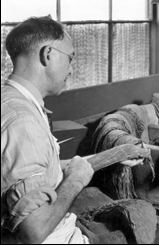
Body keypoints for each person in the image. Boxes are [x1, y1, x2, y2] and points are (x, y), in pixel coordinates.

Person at [1, 16, 145, 244]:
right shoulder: (23, 122)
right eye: (70, 58)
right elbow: (34, 233)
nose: (71, 69)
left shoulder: (12, 101)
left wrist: (117, 154)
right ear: (48, 54)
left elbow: (44, 171)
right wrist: (76, 181)